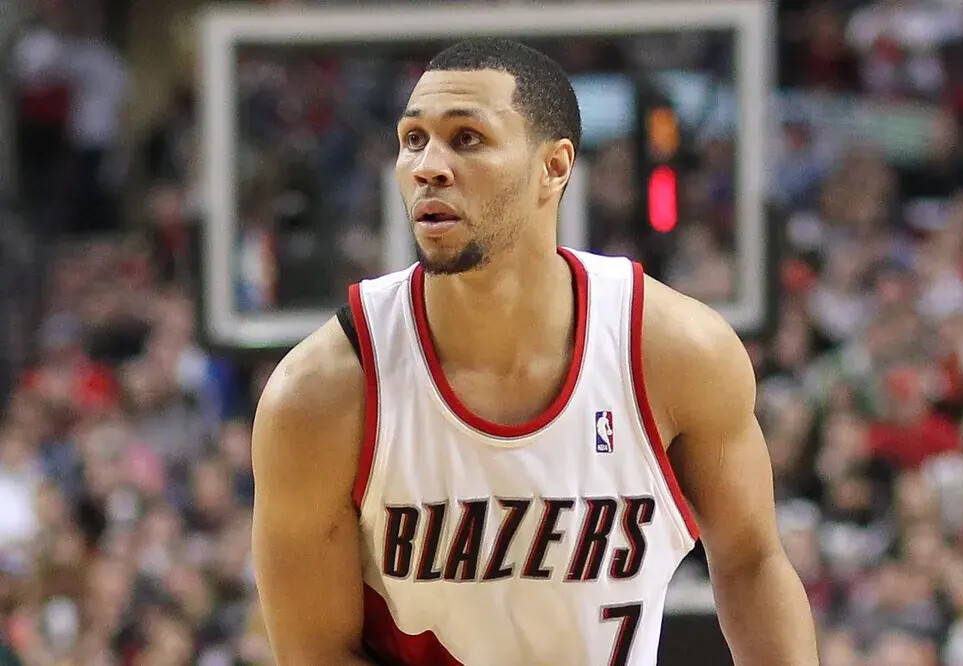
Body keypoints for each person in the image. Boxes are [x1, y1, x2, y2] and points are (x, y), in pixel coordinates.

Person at [251, 38, 819, 665]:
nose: (428, 166)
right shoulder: (322, 393)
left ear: (554, 167)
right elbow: (316, 654)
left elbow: (751, 561)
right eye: (413, 139)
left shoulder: (676, 352)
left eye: (466, 138)